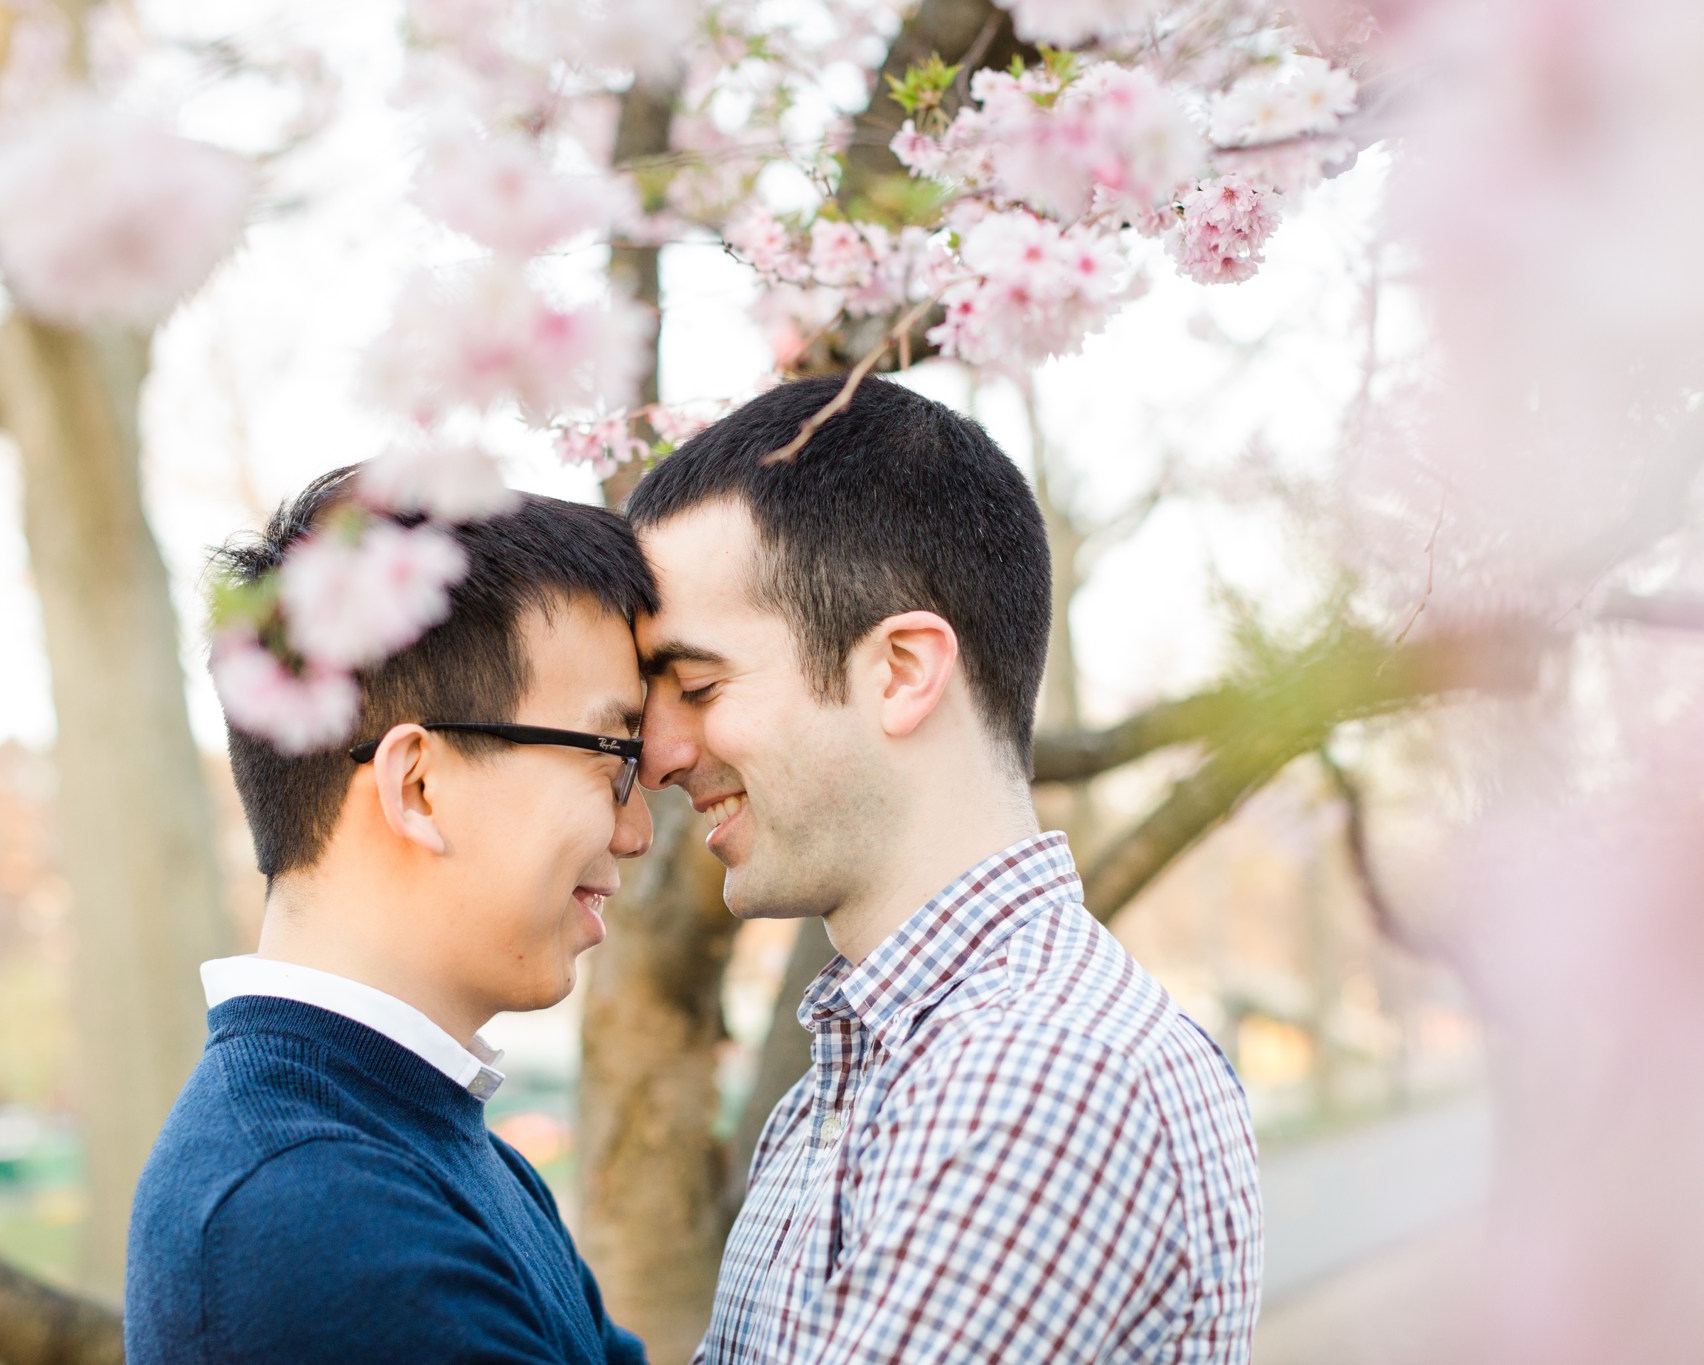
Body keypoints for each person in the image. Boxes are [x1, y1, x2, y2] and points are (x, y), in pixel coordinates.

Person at [627, 375, 1263, 1363]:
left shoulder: (1036, 1076)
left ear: (901, 671)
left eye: (697, 686)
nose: (658, 753)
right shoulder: (851, 1086)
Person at [126, 469, 652, 1365]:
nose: (636, 830)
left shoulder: (415, 1139)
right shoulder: (310, 1215)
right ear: (418, 785)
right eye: (615, 760)